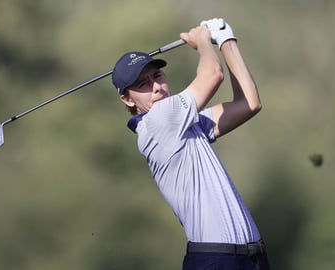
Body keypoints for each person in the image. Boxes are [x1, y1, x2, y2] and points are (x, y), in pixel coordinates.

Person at [112, 18, 270, 270]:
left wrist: (227, 40)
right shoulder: (158, 121)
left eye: (158, 76)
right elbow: (213, 74)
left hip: (251, 259)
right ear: (127, 99)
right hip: (215, 261)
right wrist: (204, 42)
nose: (156, 87)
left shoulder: (184, 123)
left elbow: (249, 103)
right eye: (143, 84)